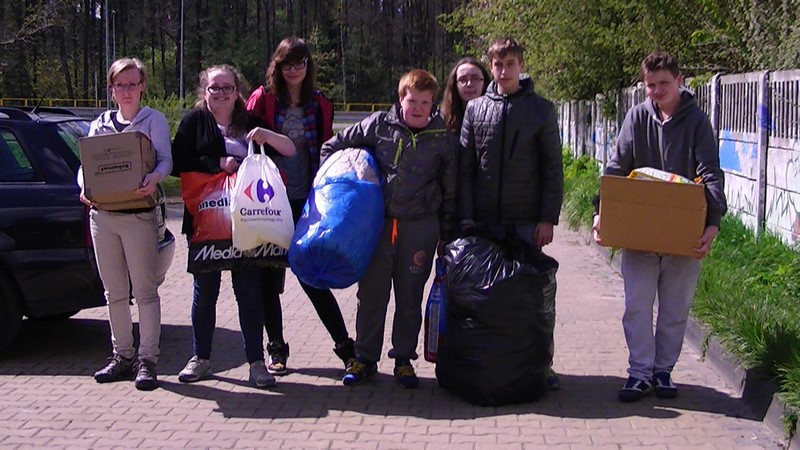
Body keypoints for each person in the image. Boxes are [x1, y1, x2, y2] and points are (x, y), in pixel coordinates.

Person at [592, 51, 727, 402]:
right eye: (650, 85)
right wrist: (601, 213)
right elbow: (616, 168)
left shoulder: (697, 122)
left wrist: (712, 225)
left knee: (674, 309)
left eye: (663, 83)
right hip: (640, 233)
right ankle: (639, 373)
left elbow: (711, 173)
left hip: (684, 234)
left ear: (679, 80)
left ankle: (663, 370)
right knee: (636, 304)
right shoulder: (637, 118)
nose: (656, 91)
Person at [321, 69, 457, 388]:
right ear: (401, 99)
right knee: (371, 293)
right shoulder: (380, 124)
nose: (419, 108)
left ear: (433, 103)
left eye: (426, 102)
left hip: (421, 226)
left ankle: (404, 360)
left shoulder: (442, 137)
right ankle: (364, 357)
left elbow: (450, 190)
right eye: (413, 101)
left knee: (409, 295)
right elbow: (334, 146)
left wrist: (446, 234)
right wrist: (334, 191)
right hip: (377, 225)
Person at [171, 64, 296, 389]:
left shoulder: (251, 122)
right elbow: (177, 162)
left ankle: (256, 362)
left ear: (237, 91)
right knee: (205, 291)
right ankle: (201, 358)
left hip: (247, 221)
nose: (222, 92)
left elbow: (287, 151)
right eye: (215, 87)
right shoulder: (194, 121)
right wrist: (217, 164)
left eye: (228, 87)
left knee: (249, 291)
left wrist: (265, 137)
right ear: (205, 91)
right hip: (206, 222)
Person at [457, 38, 564, 390]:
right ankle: (488, 367)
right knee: (485, 299)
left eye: (511, 64)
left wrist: (547, 218)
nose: (504, 71)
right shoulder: (476, 110)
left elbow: (552, 169)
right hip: (485, 222)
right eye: (498, 65)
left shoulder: (541, 110)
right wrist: (467, 218)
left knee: (532, 299)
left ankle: (539, 367)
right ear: (491, 66)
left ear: (521, 66)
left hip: (526, 222)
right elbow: (466, 169)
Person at [246, 37, 356, 376]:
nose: (294, 69)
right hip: (268, 200)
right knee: (268, 278)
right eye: (287, 64)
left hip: (306, 201)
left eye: (300, 63)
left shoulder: (320, 103)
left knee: (313, 276)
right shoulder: (262, 100)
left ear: (308, 67)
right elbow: (243, 138)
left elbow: (326, 149)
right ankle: (276, 349)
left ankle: (345, 348)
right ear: (277, 67)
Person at [78, 58, 172, 391]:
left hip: (138, 216)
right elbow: (85, 164)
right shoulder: (100, 123)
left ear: (143, 86)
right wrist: (83, 187)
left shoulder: (153, 120)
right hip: (103, 218)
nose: (127, 91)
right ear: (112, 89)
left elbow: (165, 159)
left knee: (145, 292)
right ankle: (122, 356)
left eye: (133, 84)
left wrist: (155, 178)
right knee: (114, 294)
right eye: (120, 85)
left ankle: (147, 360)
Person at [440, 57, 490, 133]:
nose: (469, 84)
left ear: (484, 84)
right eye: (462, 79)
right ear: (454, 84)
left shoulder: (496, 116)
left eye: (475, 78)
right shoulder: (441, 120)